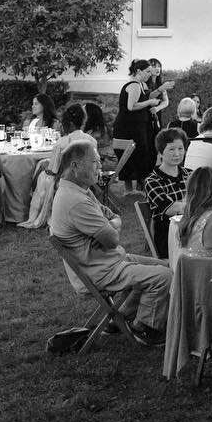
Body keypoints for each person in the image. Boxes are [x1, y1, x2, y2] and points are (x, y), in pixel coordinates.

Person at [50, 141, 171, 346]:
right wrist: (112, 226)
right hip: (100, 271)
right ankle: (145, 328)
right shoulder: (76, 200)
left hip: (108, 261)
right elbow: (113, 239)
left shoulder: (81, 191)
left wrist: (111, 224)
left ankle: (120, 316)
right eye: (95, 162)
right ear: (75, 166)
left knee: (167, 265)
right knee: (164, 276)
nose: (100, 168)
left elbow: (113, 216)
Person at [23, 103, 91, 230]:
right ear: (83, 120)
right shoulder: (91, 140)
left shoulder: (61, 142)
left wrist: (44, 168)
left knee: (41, 174)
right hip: (87, 179)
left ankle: (30, 207)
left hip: (66, 182)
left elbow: (53, 170)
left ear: (67, 124)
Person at [142, 127, 190, 257]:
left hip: (192, 227)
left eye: (180, 149)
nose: (177, 154)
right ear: (161, 152)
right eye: (171, 149)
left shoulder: (189, 174)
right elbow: (169, 208)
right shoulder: (152, 181)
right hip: (169, 235)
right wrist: (198, 205)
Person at [112, 60, 159, 188]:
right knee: (131, 156)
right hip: (128, 128)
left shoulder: (140, 85)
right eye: (147, 71)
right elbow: (131, 106)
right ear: (139, 71)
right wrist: (150, 103)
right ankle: (130, 190)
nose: (150, 74)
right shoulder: (134, 85)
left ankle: (138, 188)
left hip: (136, 127)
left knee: (141, 155)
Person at [144, 59, 171, 129]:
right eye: (154, 66)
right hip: (145, 115)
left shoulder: (160, 84)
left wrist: (158, 108)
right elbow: (148, 97)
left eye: (159, 66)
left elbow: (166, 101)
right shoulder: (144, 83)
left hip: (157, 114)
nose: (157, 68)